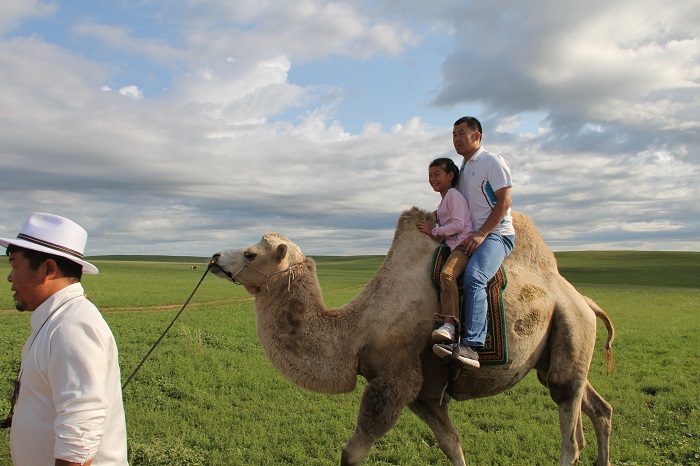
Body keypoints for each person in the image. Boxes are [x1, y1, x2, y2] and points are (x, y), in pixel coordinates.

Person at [1, 213, 128, 466]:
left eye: (15, 266)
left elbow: (80, 432)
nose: (10, 278)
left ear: (48, 269)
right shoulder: (59, 319)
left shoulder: (72, 326)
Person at [433, 116, 515, 369]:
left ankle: (472, 346)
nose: (456, 139)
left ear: (477, 135)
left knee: (475, 277)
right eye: (453, 134)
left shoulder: (492, 161)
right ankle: (449, 327)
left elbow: (505, 201)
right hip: (470, 235)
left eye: (461, 133)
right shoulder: (464, 169)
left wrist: (482, 233)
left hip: (496, 234)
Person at [417, 158, 472, 346]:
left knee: (447, 274)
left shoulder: (453, 196)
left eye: (437, 174)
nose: (432, 179)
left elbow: (458, 224)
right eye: (430, 175)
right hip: (452, 246)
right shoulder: (445, 200)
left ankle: (449, 324)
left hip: (463, 246)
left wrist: (434, 231)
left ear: (450, 176)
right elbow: (439, 214)